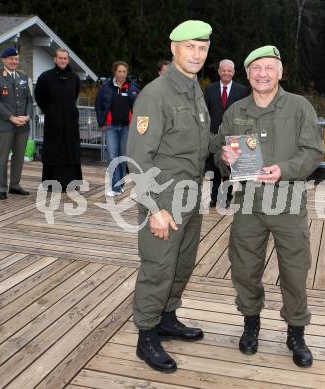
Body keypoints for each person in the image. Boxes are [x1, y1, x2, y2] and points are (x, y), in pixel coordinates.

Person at [213, 45, 324, 367]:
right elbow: (224, 155)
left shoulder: (300, 107)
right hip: (248, 204)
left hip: (288, 204)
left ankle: (296, 333)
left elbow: (313, 150)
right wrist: (225, 160)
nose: (263, 74)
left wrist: (284, 170)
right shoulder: (236, 111)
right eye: (256, 68)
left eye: (269, 68)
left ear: (280, 72)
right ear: (247, 74)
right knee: (245, 269)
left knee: (294, 271)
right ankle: (251, 324)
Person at [127, 20, 212, 373]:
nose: (197, 54)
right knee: (158, 268)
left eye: (203, 47)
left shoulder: (195, 91)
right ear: (173, 47)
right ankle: (146, 335)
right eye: (190, 46)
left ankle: (166, 317)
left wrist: (231, 149)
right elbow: (138, 159)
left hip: (191, 198)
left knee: (181, 264)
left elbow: (200, 143)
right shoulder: (156, 94)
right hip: (163, 200)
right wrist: (154, 210)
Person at [0, 47, 33, 200]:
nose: (14, 62)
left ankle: (15, 185)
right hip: (5, 124)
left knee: (19, 157)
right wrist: (12, 118)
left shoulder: (23, 75)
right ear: (3, 60)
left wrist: (27, 116)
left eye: (16, 59)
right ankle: (1, 188)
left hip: (23, 124)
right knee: (2, 157)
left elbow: (29, 99)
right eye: (11, 59)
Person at [34, 48, 82, 192]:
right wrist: (50, 111)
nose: (62, 60)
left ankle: (72, 183)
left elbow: (74, 95)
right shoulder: (45, 77)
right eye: (60, 58)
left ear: (68, 60)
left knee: (71, 151)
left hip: (70, 123)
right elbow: (39, 97)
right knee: (53, 151)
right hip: (53, 123)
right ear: (55, 59)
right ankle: (51, 184)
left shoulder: (74, 78)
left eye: (65, 58)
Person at [204, 59, 248, 208]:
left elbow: (244, 114)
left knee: (229, 168)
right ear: (219, 72)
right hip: (214, 135)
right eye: (223, 70)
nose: (226, 73)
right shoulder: (210, 89)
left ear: (233, 72)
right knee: (214, 168)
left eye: (229, 70)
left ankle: (227, 197)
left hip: (233, 135)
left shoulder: (242, 91)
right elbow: (205, 112)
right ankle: (214, 198)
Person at [95, 61, 139, 196]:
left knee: (123, 157)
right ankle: (115, 186)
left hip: (127, 128)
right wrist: (101, 122)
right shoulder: (105, 87)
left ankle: (119, 184)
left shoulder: (133, 88)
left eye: (124, 71)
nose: (122, 74)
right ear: (114, 72)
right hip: (111, 128)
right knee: (112, 156)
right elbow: (98, 105)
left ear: (127, 73)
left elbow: (139, 106)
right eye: (119, 71)